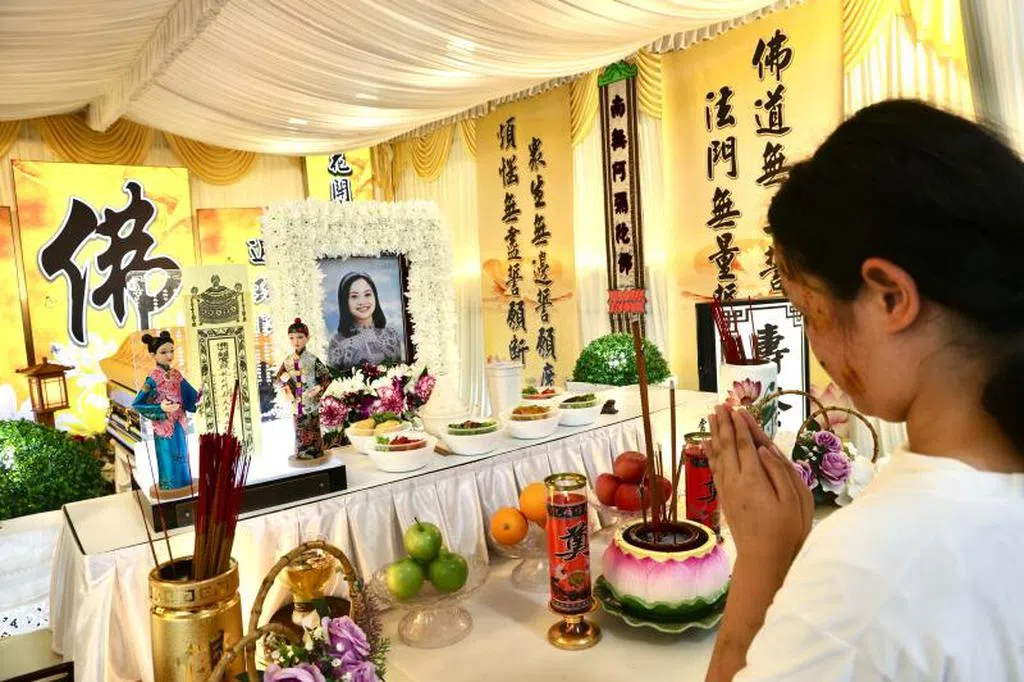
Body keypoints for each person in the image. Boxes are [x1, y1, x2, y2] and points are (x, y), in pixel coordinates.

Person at [706, 100, 1024, 682]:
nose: (815, 344)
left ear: (889, 298)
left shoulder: (871, 567)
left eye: (811, 312)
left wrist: (764, 559)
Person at [132, 331, 200, 491]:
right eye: (163, 352)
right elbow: (138, 404)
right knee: (167, 454)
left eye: (171, 351)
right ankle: (169, 486)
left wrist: (197, 395)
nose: (169, 355)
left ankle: (184, 481)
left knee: (182, 452)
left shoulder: (176, 374)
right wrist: (160, 408)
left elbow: (188, 392)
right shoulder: (152, 379)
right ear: (153, 355)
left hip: (179, 421)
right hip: (163, 424)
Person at [275, 318, 332, 461]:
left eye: (300, 337)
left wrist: (319, 387)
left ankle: (316, 453)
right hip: (296, 403)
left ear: (307, 338)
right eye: (292, 338)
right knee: (299, 430)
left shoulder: (312, 359)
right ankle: (301, 454)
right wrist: (284, 380)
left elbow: (327, 377)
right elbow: (276, 381)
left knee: (313, 428)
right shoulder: (288, 360)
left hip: (310, 401)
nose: (296, 341)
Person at [326, 271, 404, 371]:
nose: (362, 302)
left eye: (367, 294)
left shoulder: (391, 335)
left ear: (375, 297)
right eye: (354, 296)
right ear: (345, 301)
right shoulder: (337, 342)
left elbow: (399, 374)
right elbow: (332, 378)